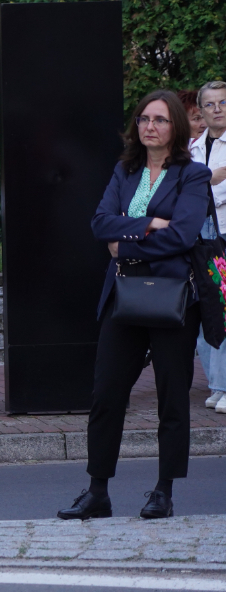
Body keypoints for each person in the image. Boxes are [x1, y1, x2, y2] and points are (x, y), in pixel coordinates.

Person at [59, 89, 210, 521]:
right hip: (123, 297)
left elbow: (182, 236)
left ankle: (163, 490)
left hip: (172, 299)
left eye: (160, 120)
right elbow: (99, 222)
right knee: (106, 395)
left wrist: (123, 246)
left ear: (176, 127)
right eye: (144, 119)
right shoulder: (124, 170)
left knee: (171, 398)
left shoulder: (192, 175)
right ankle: (97, 492)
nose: (150, 127)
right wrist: (147, 223)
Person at [188, 80, 226, 414]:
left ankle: (225, 385)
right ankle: (217, 384)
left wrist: (208, 182)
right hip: (201, 236)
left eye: (223, 103)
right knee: (205, 311)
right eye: (210, 105)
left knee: (225, 309)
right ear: (200, 111)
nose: (217, 110)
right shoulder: (193, 148)